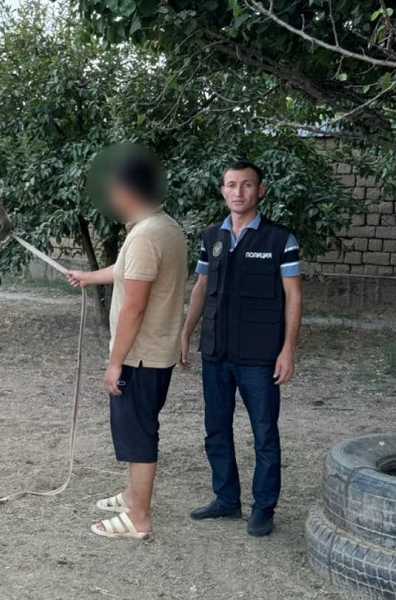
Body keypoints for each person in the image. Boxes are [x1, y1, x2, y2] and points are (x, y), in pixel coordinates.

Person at [68, 147, 187, 539]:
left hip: (138, 358)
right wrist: (88, 277)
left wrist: (115, 362)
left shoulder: (144, 237)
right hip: (157, 354)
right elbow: (126, 273)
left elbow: (133, 307)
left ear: (126, 190)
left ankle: (139, 518)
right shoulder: (165, 227)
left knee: (138, 436)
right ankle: (132, 495)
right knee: (141, 428)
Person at [180, 160, 302, 538]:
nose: (238, 192)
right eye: (231, 185)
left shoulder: (281, 239)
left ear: (260, 191)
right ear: (223, 191)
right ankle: (226, 499)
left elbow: (293, 296)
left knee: (264, 433)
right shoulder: (211, 237)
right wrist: (186, 332)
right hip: (216, 351)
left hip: (260, 356)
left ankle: (263, 508)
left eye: (247, 185)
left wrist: (288, 350)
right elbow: (201, 287)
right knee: (216, 430)